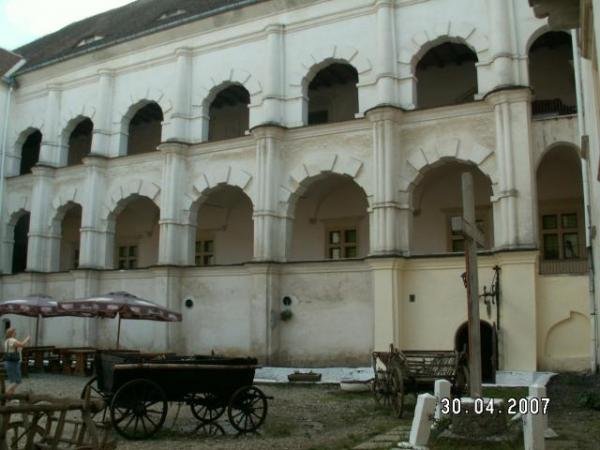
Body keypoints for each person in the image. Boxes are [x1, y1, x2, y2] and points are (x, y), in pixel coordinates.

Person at [3, 328, 30, 396]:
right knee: (17, 381)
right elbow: (22, 345)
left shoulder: (7, 341)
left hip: (9, 362)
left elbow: (19, 348)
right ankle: (6, 392)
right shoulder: (12, 340)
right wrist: (27, 339)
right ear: (12, 333)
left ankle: (9, 398)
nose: (16, 333)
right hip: (13, 363)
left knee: (13, 381)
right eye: (15, 332)